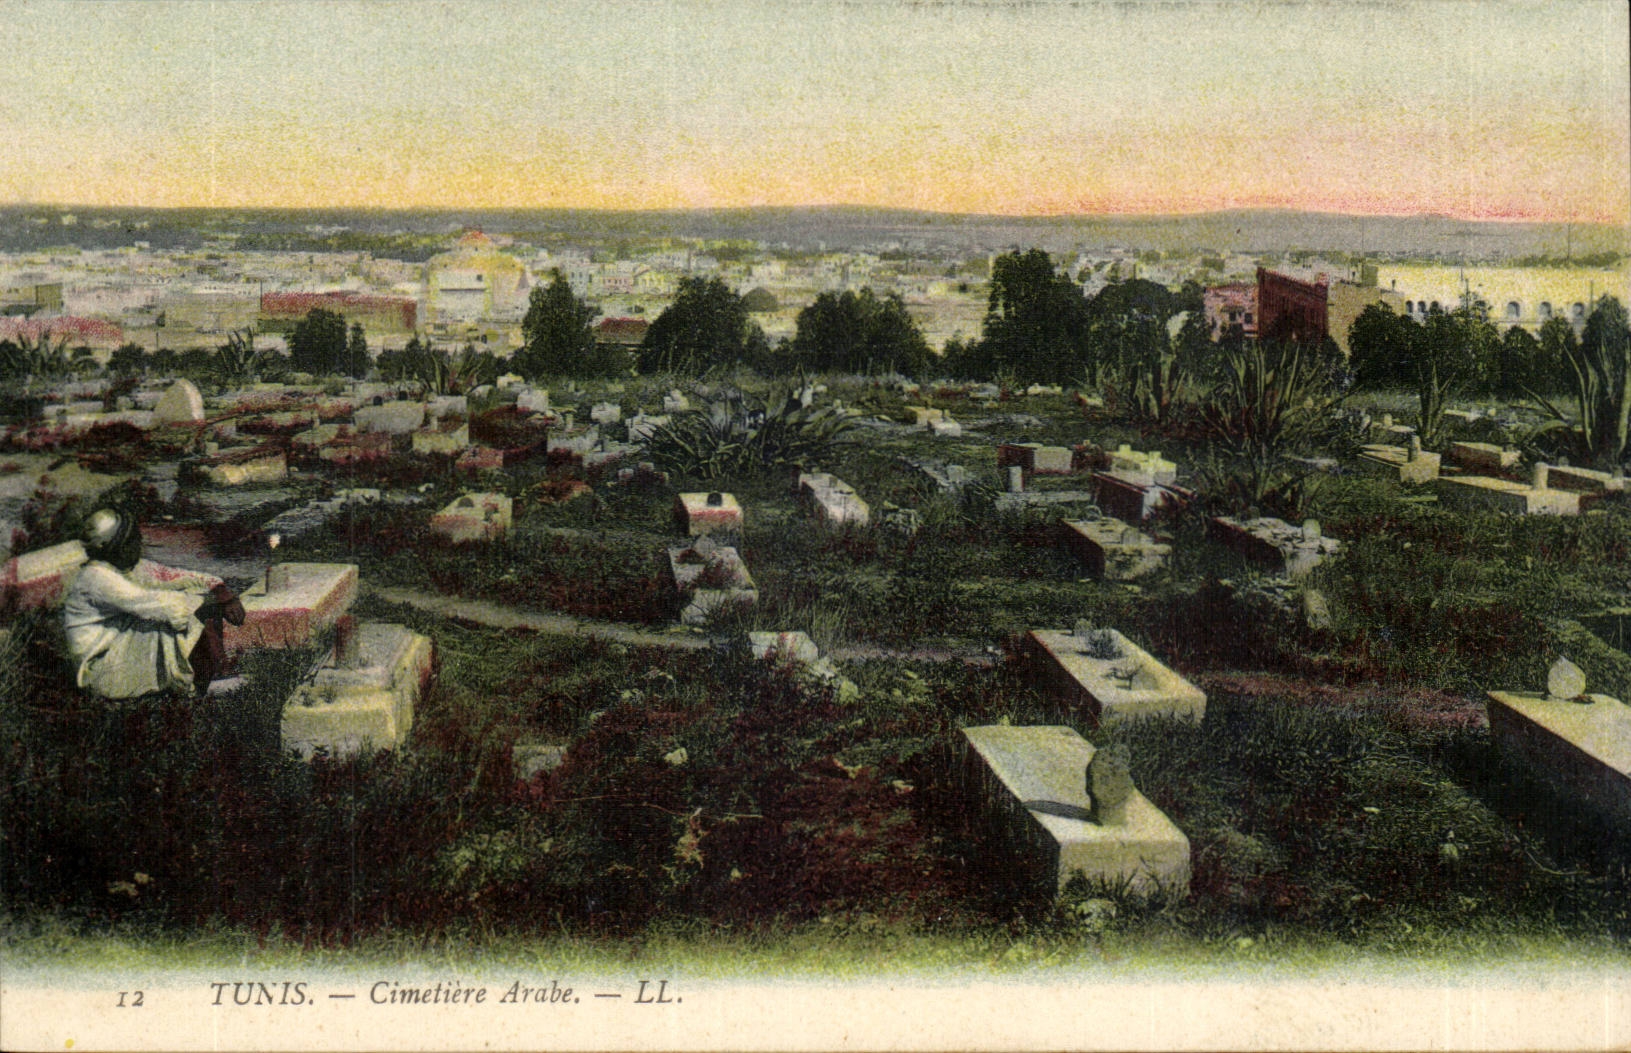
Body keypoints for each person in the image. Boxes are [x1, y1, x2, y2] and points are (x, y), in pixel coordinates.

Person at [62, 506, 243, 699]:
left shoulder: (120, 567)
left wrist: (219, 590)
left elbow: (175, 577)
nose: (139, 544)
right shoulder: (96, 577)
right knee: (188, 612)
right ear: (114, 545)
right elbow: (156, 604)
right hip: (101, 672)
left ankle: (207, 677)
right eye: (132, 540)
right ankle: (207, 683)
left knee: (191, 599)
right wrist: (212, 601)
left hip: (116, 650)